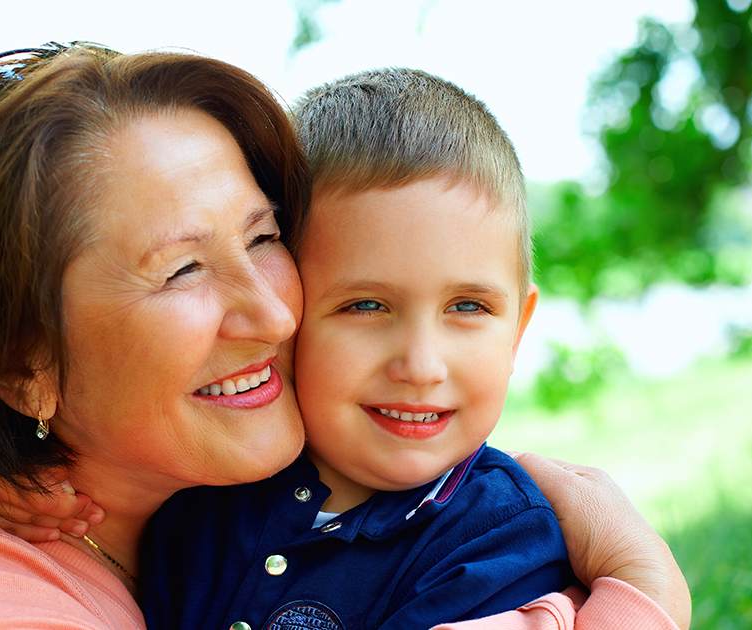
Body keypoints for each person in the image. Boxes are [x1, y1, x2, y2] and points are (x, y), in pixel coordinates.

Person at [0, 40, 689, 630]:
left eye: (264, 239)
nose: (277, 314)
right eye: (183, 268)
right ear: (19, 363)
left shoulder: (192, 499)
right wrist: (642, 595)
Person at [137, 67, 573, 630]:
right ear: (286, 313)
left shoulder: (500, 543)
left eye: (468, 307)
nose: (421, 366)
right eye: (366, 306)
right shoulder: (208, 481)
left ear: (517, 331)